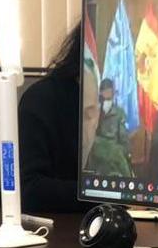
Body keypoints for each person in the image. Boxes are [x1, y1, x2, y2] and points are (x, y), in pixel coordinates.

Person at [18, 20, 99, 215]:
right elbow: (31, 190)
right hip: (57, 226)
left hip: (108, 224)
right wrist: (103, 194)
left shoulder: (107, 109)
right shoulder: (41, 101)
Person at [87, 78, 133, 178]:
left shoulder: (119, 113)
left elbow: (125, 143)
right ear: (100, 93)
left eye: (109, 92)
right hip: (96, 157)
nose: (107, 94)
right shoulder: (95, 112)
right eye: (104, 92)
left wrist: (117, 153)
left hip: (114, 158)